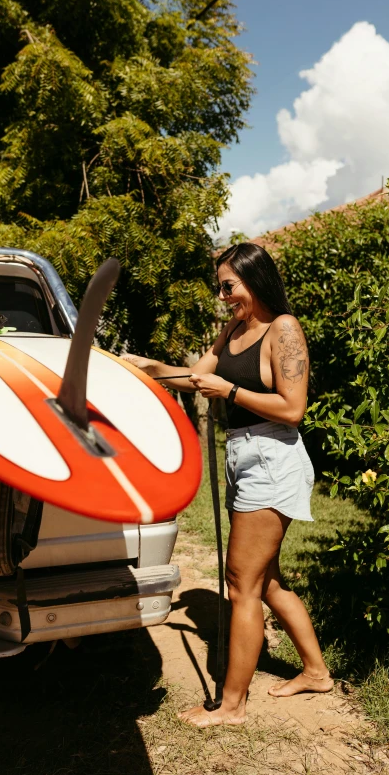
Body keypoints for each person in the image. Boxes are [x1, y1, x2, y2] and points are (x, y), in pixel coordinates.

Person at [123, 242, 332, 728]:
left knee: (241, 584)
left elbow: (294, 409)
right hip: (244, 455)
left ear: (254, 280)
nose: (222, 296)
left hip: (272, 458)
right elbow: (196, 378)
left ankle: (232, 705)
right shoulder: (234, 329)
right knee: (266, 580)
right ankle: (317, 672)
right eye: (220, 287)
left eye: (228, 286)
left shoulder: (284, 329)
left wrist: (233, 392)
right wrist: (145, 367)